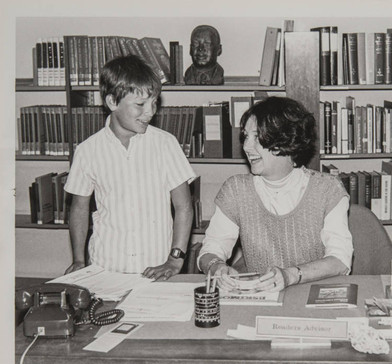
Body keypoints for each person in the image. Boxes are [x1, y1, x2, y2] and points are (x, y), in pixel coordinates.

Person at [198, 96, 353, 292]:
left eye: (257, 137)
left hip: (311, 296)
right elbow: (211, 249)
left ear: (286, 140)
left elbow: (340, 260)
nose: (246, 147)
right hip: (260, 300)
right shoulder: (236, 189)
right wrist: (216, 266)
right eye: (246, 136)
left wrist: (289, 275)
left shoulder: (328, 189)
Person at [64, 54, 196, 280]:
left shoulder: (166, 144)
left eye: (154, 102)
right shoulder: (88, 150)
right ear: (112, 102)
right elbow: (79, 209)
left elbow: (184, 207)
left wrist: (175, 259)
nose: (150, 111)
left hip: (156, 270)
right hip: (105, 268)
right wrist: (78, 260)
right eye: (140, 104)